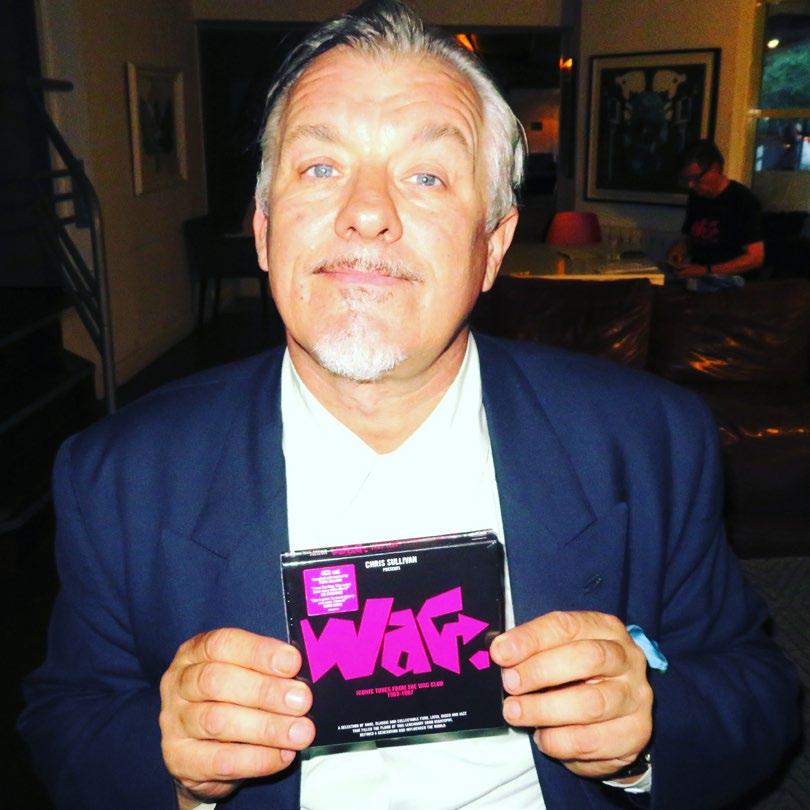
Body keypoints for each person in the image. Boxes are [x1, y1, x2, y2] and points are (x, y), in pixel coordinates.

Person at [19, 3, 798, 809]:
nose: (367, 212)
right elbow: (65, 721)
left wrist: (649, 726)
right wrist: (170, 760)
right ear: (262, 227)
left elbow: (758, 689)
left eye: (426, 176)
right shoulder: (118, 473)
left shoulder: (648, 439)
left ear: (492, 246)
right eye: (320, 167)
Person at [666, 139, 765, 283]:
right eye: (686, 179)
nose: (690, 185)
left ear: (715, 169)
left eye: (695, 178)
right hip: (700, 282)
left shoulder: (743, 200)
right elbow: (691, 238)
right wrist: (679, 249)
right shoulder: (697, 196)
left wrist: (707, 271)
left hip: (732, 286)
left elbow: (755, 258)